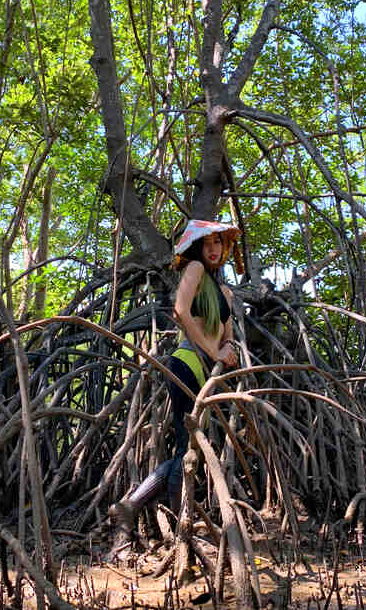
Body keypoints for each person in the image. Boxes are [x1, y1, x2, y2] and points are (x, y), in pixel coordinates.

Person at [108, 219, 241, 555]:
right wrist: (214, 351)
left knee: (193, 447)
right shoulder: (194, 268)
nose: (213, 249)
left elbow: (227, 337)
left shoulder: (224, 291)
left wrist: (229, 350)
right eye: (207, 243)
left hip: (207, 377)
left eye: (218, 244)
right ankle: (177, 528)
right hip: (185, 364)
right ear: (198, 248)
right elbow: (180, 311)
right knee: (188, 447)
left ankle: (136, 507)